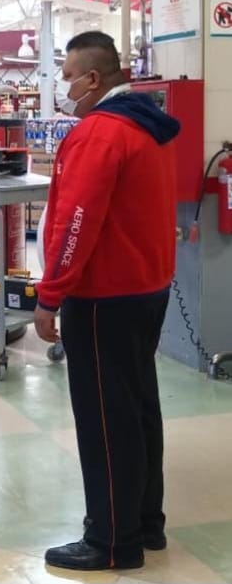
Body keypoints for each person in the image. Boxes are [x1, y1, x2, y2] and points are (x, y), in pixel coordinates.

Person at [34, 31, 180, 572]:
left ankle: (111, 540)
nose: (63, 85)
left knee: (104, 418)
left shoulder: (99, 134)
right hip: (148, 288)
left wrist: (51, 295)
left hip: (104, 298)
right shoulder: (150, 126)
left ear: (93, 78)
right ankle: (145, 521)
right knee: (140, 407)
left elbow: (76, 222)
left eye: (67, 75)